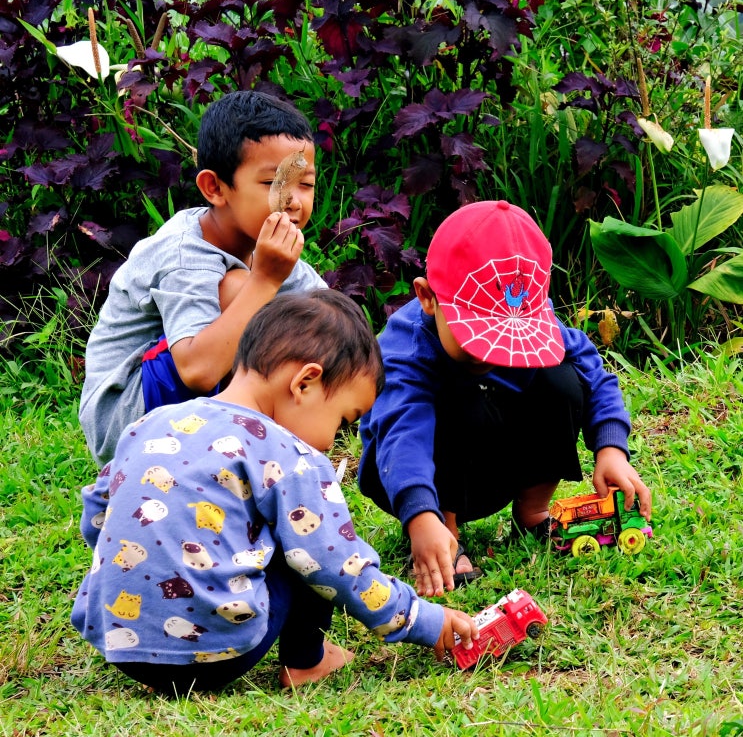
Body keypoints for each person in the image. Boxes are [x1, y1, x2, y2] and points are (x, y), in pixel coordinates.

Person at [71, 289, 479, 695]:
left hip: (121, 645)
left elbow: (98, 511)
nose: (333, 439)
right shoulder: (290, 454)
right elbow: (340, 568)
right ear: (305, 383)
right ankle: (307, 662)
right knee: (311, 544)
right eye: (342, 420)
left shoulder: (153, 424)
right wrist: (423, 619)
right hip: (216, 658)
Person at [358, 200, 652, 599]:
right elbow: (401, 437)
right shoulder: (406, 351)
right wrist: (419, 515)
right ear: (428, 298)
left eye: (508, 336)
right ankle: (444, 532)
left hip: (492, 456)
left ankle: (533, 514)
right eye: (477, 335)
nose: (490, 353)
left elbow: (592, 374)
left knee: (561, 380)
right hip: (412, 471)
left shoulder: (533, 311)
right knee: (452, 396)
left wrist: (611, 448)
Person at [79, 90, 326, 467]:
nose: (292, 201)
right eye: (272, 184)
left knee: (301, 315)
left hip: (179, 410)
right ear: (215, 188)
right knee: (239, 290)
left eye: (304, 184)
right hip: (128, 417)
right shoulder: (186, 253)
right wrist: (264, 281)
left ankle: (262, 455)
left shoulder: (266, 250)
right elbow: (197, 371)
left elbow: (329, 320)